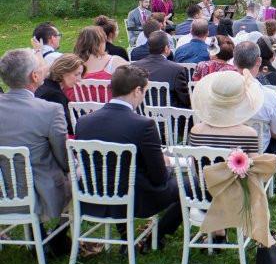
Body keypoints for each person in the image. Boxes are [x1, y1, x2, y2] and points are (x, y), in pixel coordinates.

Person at [74, 65, 182, 250]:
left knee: (120, 176)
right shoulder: (144, 125)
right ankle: (156, 236)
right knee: (191, 185)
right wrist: (169, 166)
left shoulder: (83, 122)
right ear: (137, 90)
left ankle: (127, 236)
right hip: (135, 200)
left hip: (91, 196)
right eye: (144, 91)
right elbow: (159, 178)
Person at [0, 49, 70, 231]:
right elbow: (64, 159)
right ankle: (59, 236)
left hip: (3, 193)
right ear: (35, 76)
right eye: (40, 66)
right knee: (77, 173)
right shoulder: (50, 110)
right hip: (40, 196)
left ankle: (42, 235)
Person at [233, 42, 276, 190]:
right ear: (258, 61)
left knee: (274, 128)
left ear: (234, 62)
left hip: (229, 146)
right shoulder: (268, 96)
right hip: (259, 148)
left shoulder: (222, 91)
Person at [189, 70, 261, 153]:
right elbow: (254, 161)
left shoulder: (196, 131)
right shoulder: (248, 134)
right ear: (240, 102)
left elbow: (193, 160)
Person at [132, 31, 191, 108]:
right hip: (170, 114)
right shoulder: (176, 69)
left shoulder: (134, 66)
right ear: (166, 48)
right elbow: (185, 99)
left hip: (142, 112)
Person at [71, 26, 128, 101]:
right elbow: (135, 77)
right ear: (100, 43)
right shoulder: (113, 61)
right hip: (110, 105)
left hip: (80, 106)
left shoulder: (71, 64)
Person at [35, 54, 84, 135]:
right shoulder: (53, 95)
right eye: (76, 74)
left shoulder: (46, 85)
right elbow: (70, 126)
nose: (80, 79)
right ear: (63, 72)